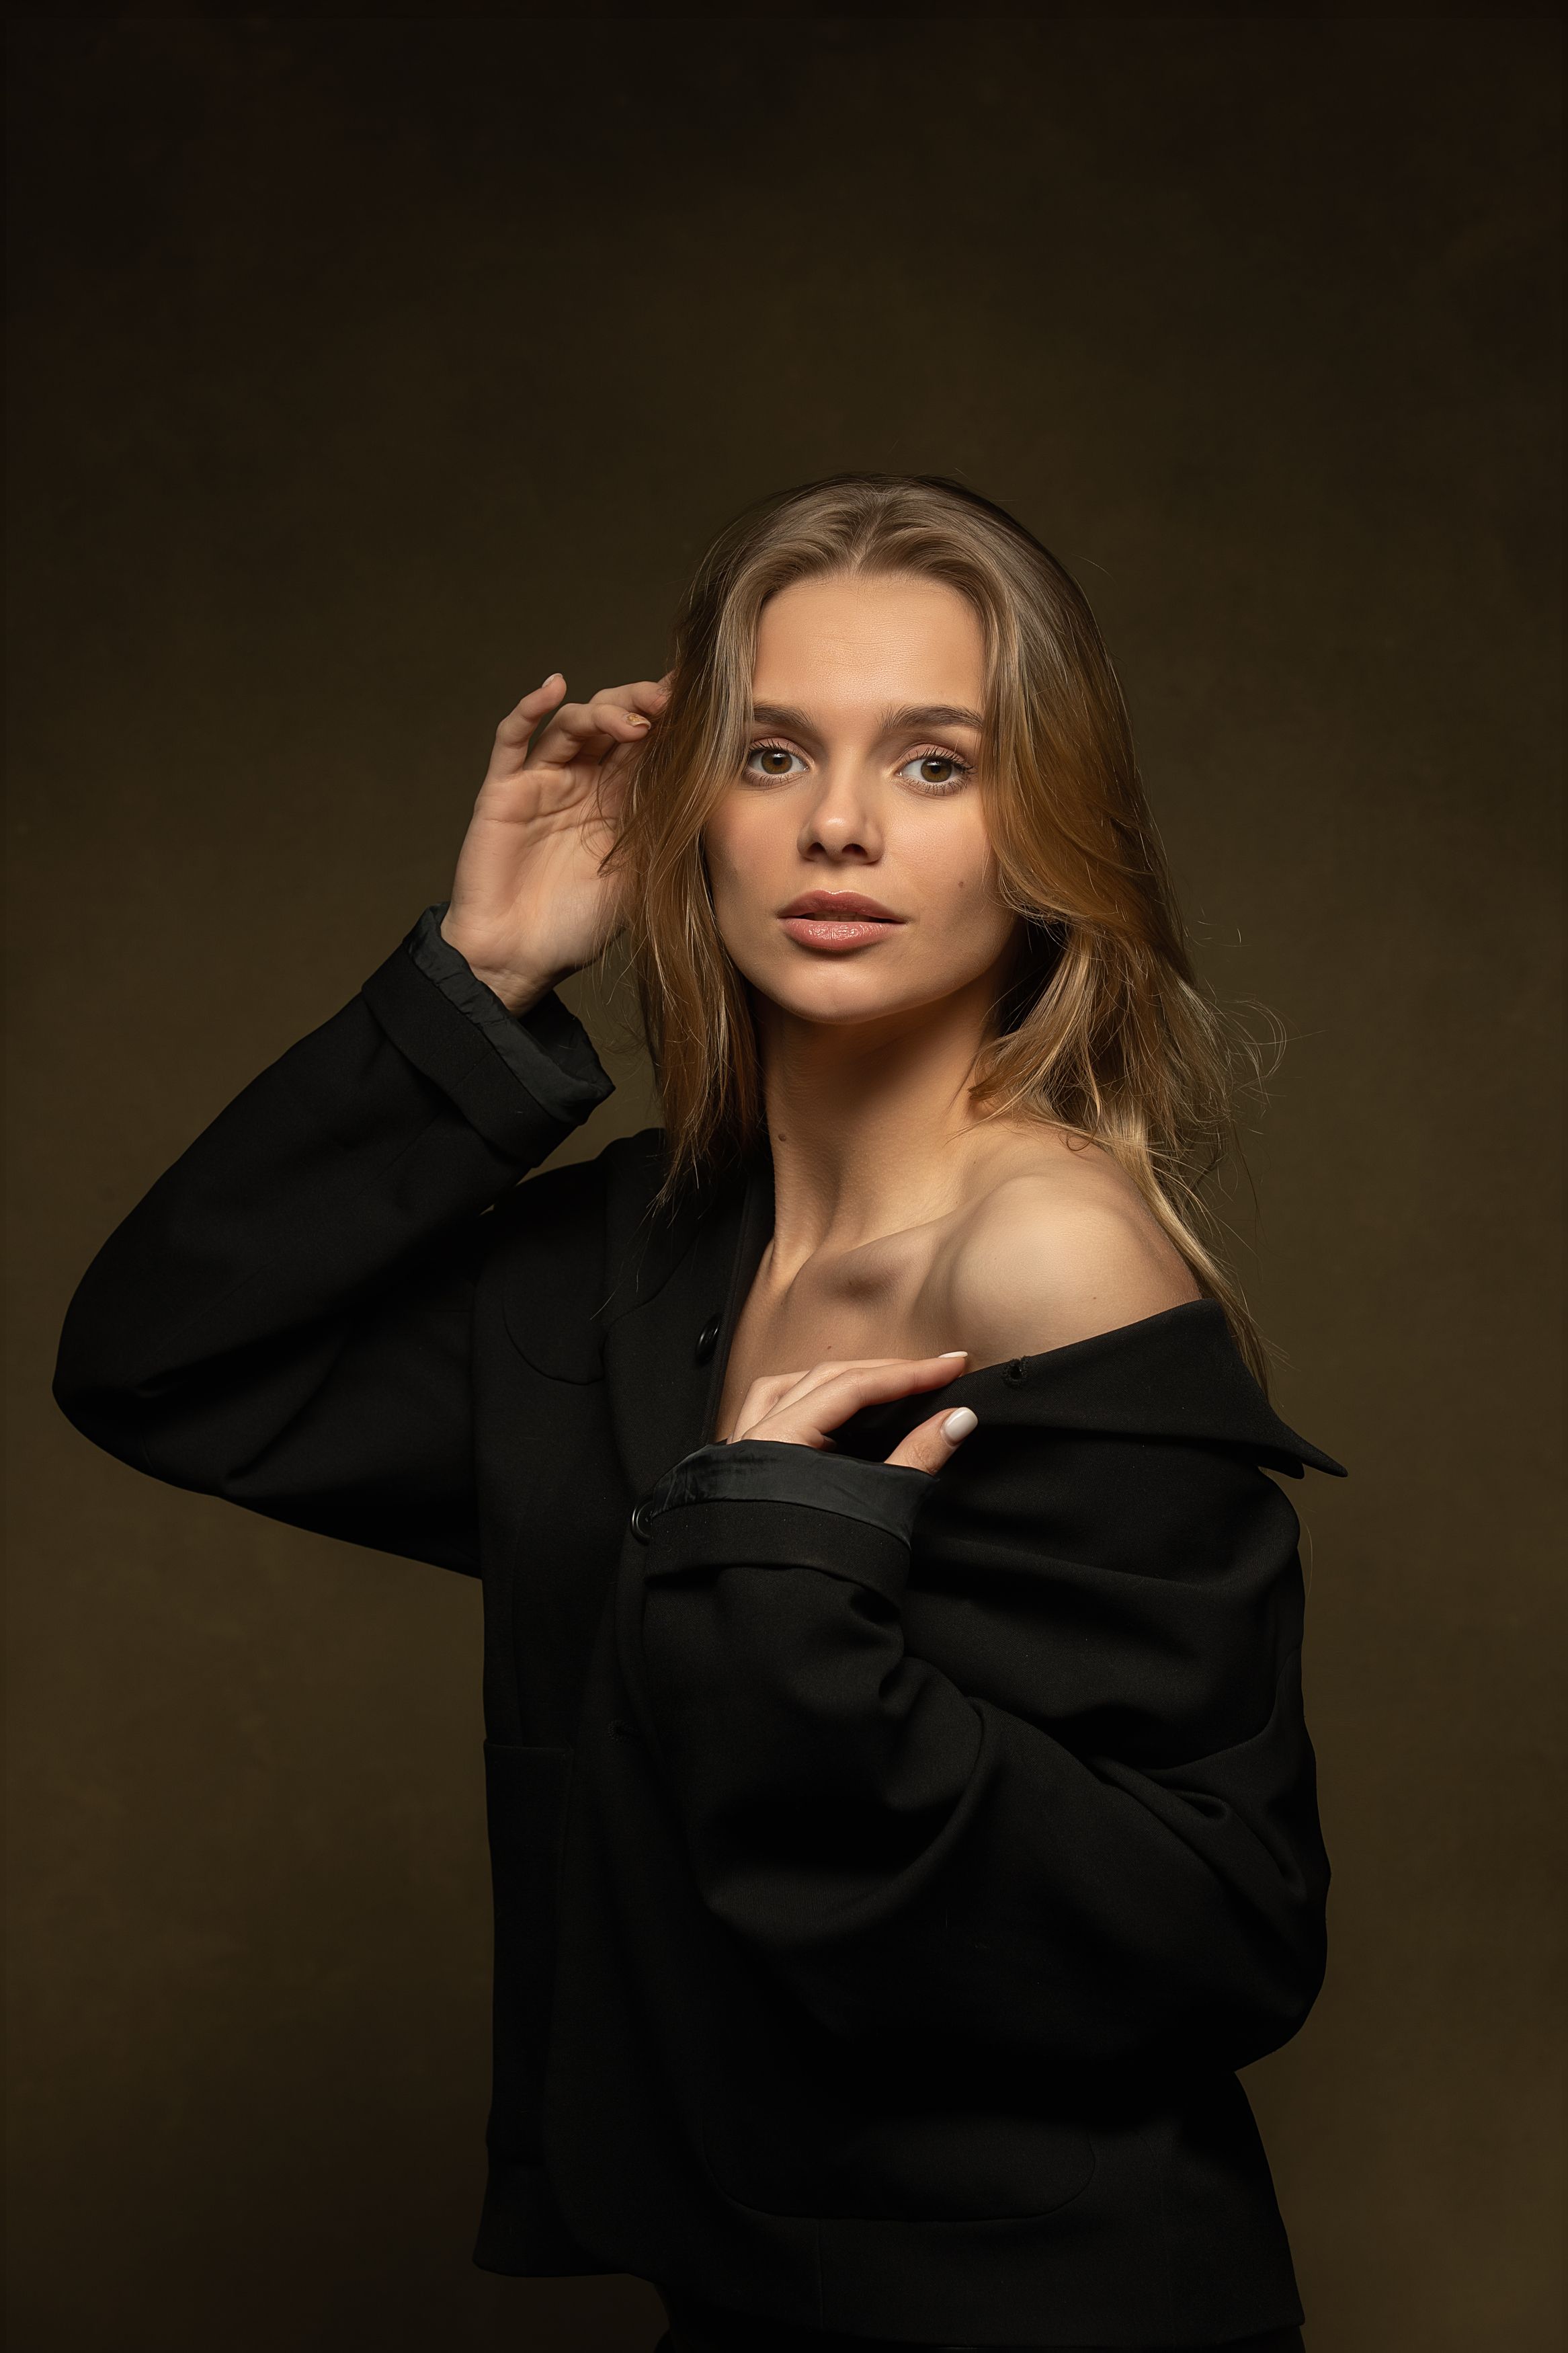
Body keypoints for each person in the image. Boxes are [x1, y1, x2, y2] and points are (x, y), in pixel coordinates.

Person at [53, 474, 1342, 2352]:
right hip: (742, 2299)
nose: (837, 824)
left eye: (934, 764)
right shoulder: (640, 1259)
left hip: (1042, 2314)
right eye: (771, 753)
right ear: (692, 815)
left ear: (1045, 830)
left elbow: (1226, 1926)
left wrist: (786, 1603)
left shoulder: (1053, 1261)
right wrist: (482, 979)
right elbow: (164, 1364)